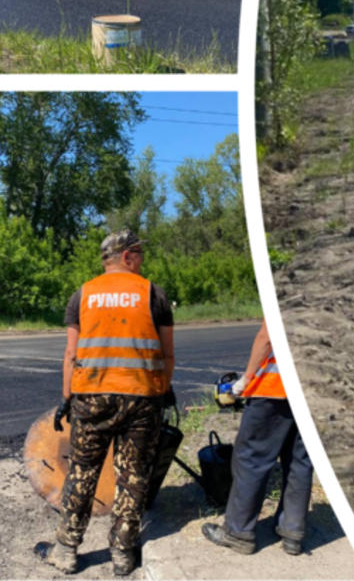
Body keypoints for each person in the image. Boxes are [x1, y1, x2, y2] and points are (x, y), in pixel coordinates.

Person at [39, 230, 176, 578]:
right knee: (133, 476)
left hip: (92, 399)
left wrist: (66, 398)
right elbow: (167, 353)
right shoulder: (153, 294)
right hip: (142, 399)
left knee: (83, 471)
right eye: (139, 253)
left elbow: (71, 353)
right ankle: (122, 555)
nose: (142, 259)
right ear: (127, 256)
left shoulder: (82, 295)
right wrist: (163, 389)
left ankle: (67, 550)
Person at [201, 320, 312, 558]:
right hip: (312, 389)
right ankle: (292, 533)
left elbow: (267, 336)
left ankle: (238, 532)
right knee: (299, 462)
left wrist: (245, 380)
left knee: (251, 459)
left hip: (275, 389)